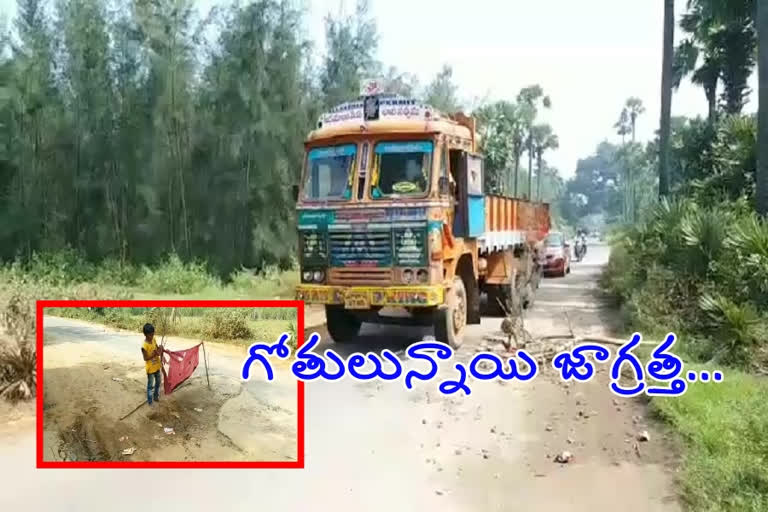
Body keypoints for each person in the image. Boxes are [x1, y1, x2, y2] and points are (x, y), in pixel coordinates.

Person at [141, 323, 162, 406]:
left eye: (153, 334)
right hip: (150, 369)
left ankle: (156, 396)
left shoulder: (154, 339)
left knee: (158, 382)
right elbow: (145, 358)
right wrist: (153, 354)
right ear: (146, 335)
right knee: (150, 386)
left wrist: (160, 348)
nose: (152, 336)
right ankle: (150, 401)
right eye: (150, 335)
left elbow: (157, 349)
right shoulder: (144, 346)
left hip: (157, 366)